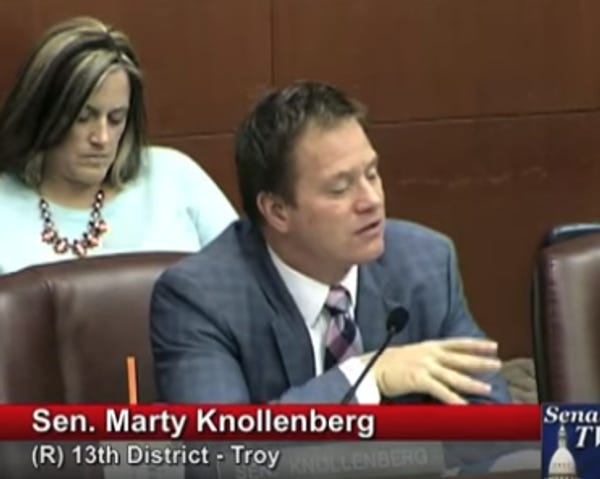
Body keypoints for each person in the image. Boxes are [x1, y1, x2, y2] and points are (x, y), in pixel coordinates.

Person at [150, 80, 511, 405]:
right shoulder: (201, 298)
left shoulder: (425, 264)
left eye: (372, 174)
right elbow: (221, 447)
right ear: (277, 211)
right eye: (340, 188)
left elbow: (494, 424)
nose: (372, 200)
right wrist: (365, 377)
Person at [0, 16, 238, 275]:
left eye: (116, 119)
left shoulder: (173, 176)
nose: (102, 138)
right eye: (83, 118)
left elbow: (252, 282)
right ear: (42, 114)